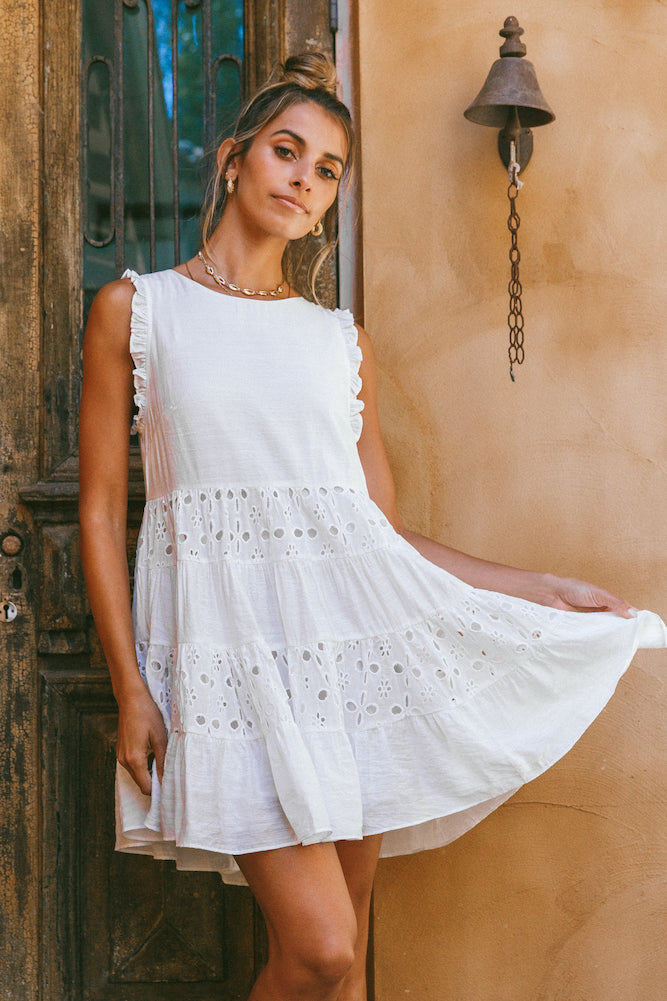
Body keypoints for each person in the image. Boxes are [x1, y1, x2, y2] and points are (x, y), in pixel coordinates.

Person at [79, 52, 666, 1001]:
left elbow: (376, 538)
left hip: (350, 667)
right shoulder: (141, 311)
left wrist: (538, 588)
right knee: (318, 951)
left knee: (343, 964)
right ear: (231, 159)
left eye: (326, 170)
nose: (303, 180)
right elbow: (104, 512)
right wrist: (131, 688)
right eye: (285, 151)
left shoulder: (336, 341)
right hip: (232, 666)